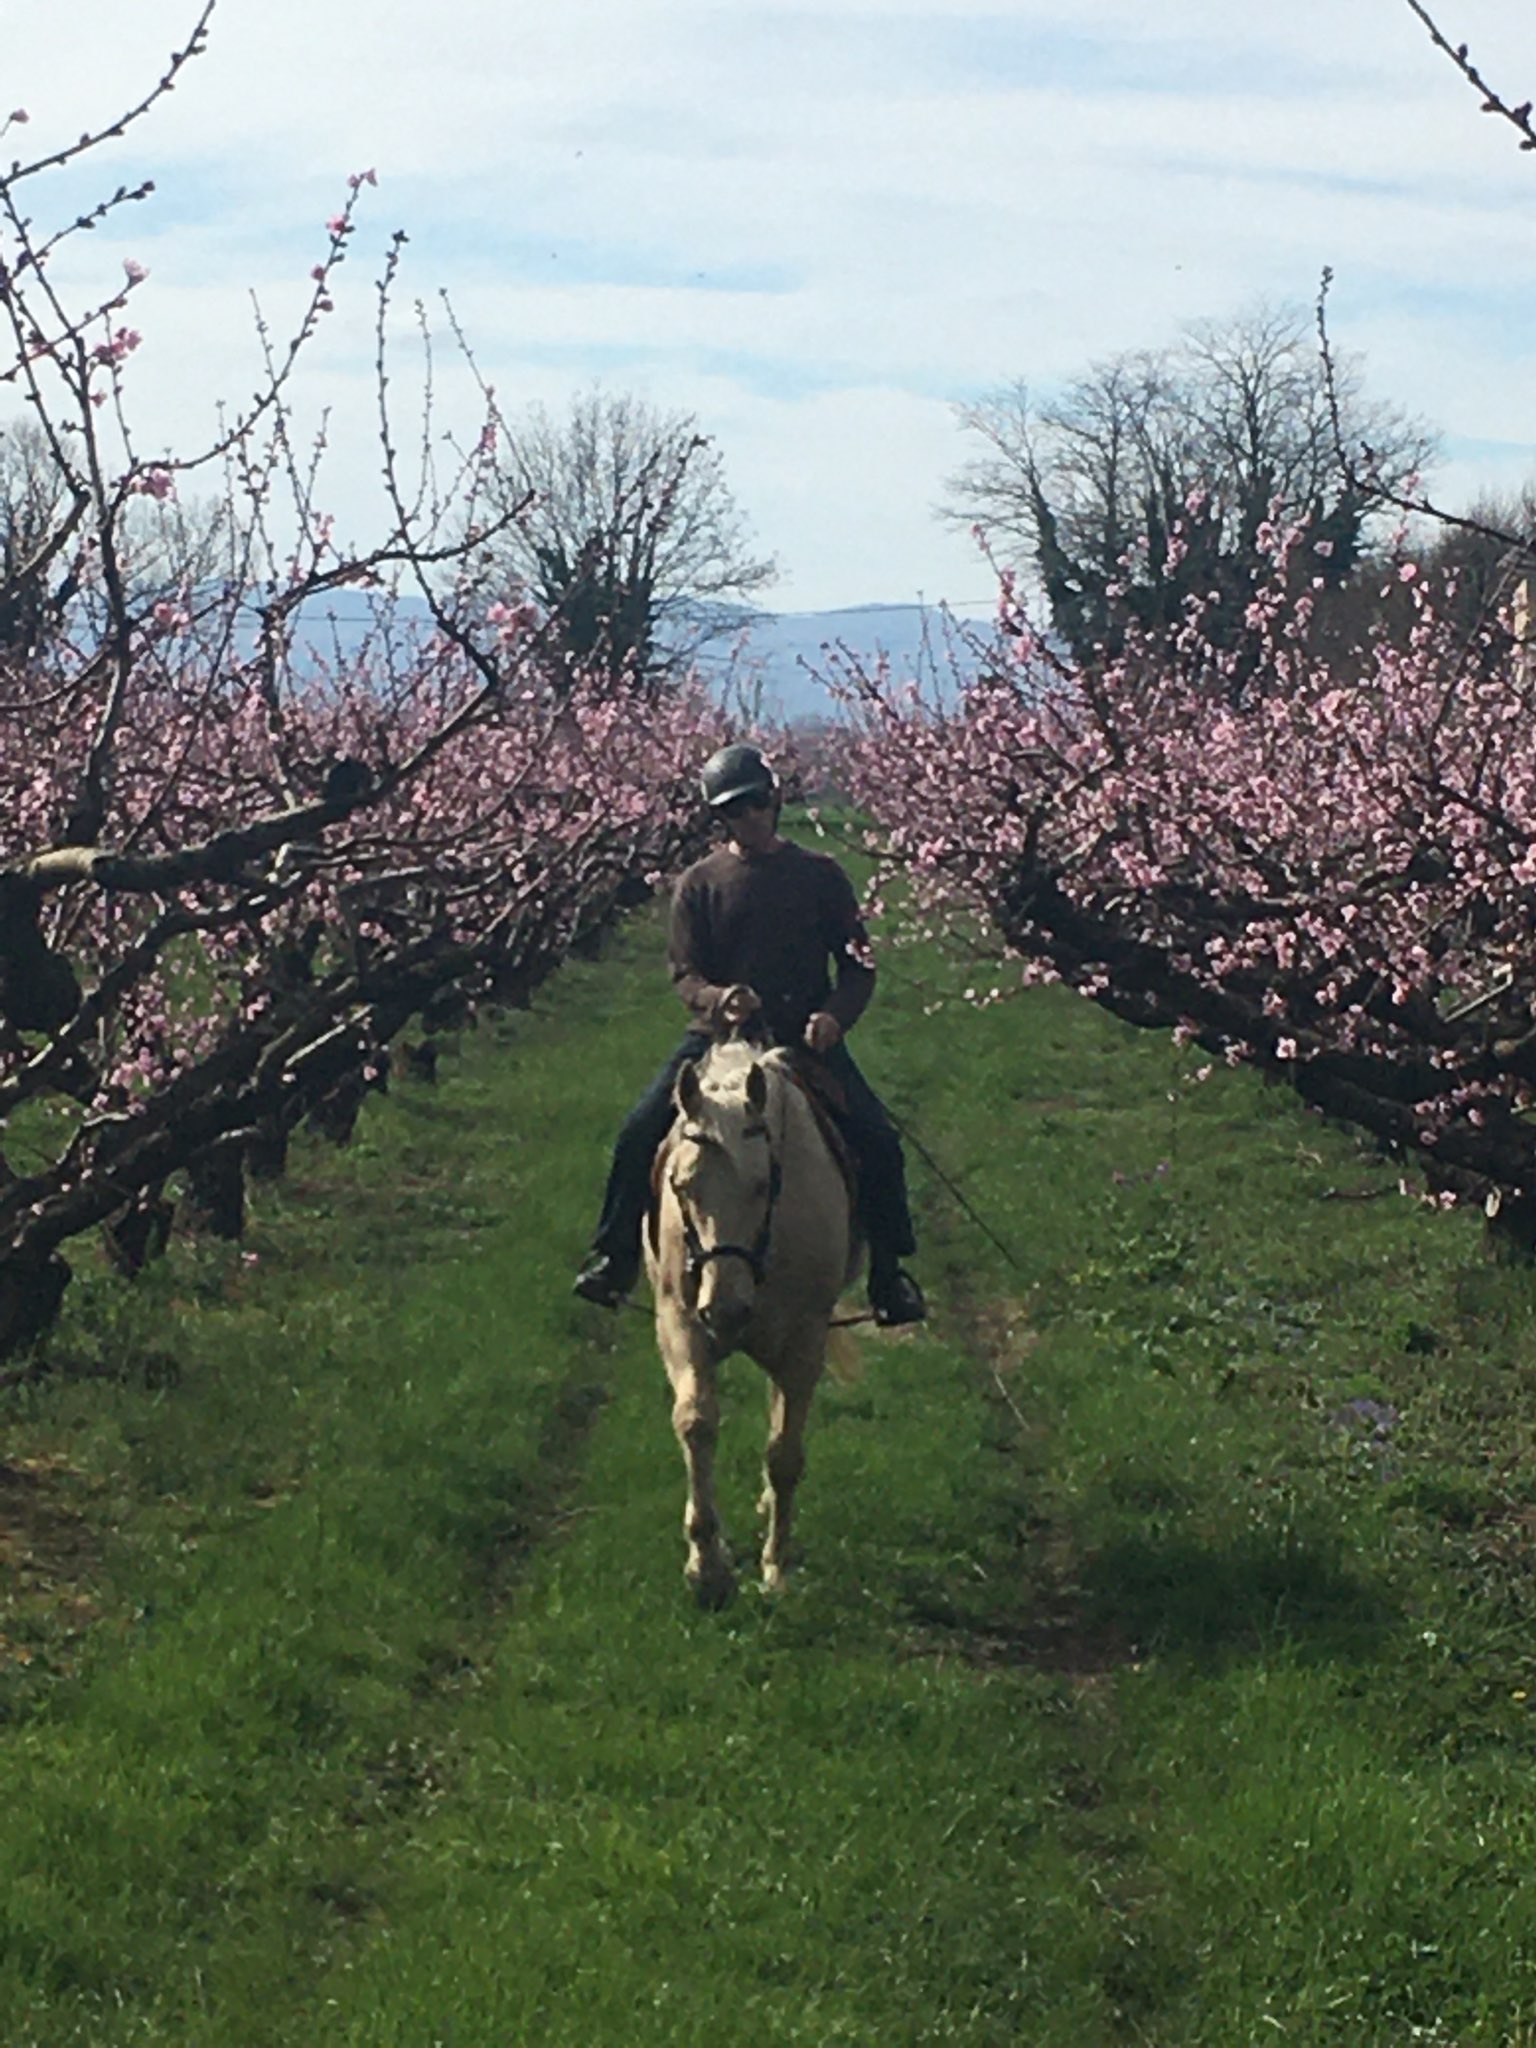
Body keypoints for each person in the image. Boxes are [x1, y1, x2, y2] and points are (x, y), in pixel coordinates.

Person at [572, 741, 926, 1326]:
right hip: (719, 1041)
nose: (751, 817)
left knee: (877, 1140)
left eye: (758, 803)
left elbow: (858, 967)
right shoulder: (700, 883)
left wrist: (834, 1016)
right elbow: (685, 974)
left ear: (774, 801)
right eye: (736, 810)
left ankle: (889, 1276)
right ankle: (614, 1257)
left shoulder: (821, 877)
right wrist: (719, 999)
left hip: (802, 1040)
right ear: (721, 818)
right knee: (638, 1132)